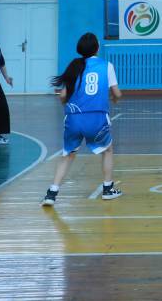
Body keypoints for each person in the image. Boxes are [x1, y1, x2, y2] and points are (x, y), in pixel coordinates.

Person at [42, 33, 122, 205]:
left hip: (74, 118)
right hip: (96, 118)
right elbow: (117, 93)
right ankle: (108, 189)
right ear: (97, 48)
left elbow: (62, 96)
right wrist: (114, 99)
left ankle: (51, 193)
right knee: (107, 150)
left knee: (67, 155)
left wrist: (69, 106)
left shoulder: (74, 66)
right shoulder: (106, 66)